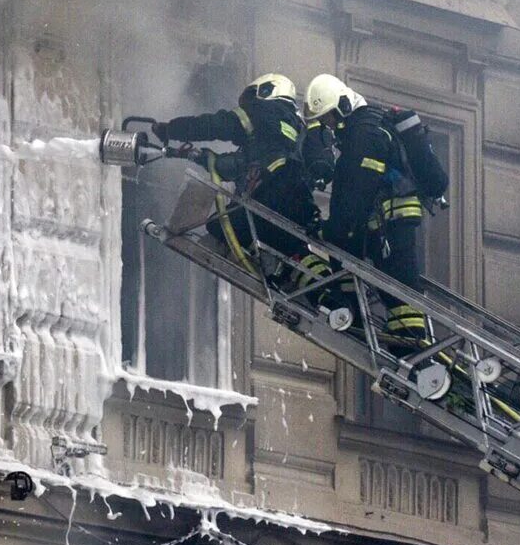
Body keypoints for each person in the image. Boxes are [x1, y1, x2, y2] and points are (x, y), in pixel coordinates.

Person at [298, 73, 440, 355]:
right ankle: (398, 338)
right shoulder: (363, 129)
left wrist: (332, 230)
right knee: (388, 281)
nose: (330, 125)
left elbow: (356, 193)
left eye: (329, 118)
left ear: (344, 107)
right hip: (387, 220)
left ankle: (413, 347)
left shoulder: (364, 135)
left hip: (391, 219)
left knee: (399, 286)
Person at [152, 73, 319, 266]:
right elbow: (244, 164)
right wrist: (203, 158)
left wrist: (172, 129)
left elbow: (215, 126)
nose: (245, 107)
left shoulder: (262, 110)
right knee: (291, 254)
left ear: (266, 91)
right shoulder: (299, 130)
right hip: (300, 206)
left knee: (219, 227)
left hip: (270, 196)